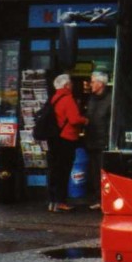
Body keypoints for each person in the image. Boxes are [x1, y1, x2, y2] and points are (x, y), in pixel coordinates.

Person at [46, 73, 87, 212]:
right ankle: (61, 201)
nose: (72, 86)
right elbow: (74, 119)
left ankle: (52, 201)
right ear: (66, 86)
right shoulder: (68, 99)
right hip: (66, 139)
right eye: (70, 83)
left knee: (54, 170)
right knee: (64, 171)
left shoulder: (53, 98)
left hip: (54, 138)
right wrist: (85, 120)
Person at [83, 71, 111, 210]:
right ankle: (97, 198)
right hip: (92, 141)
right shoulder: (92, 99)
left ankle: (104, 199)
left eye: (93, 82)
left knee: (103, 172)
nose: (91, 84)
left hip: (103, 141)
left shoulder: (111, 99)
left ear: (100, 84)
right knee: (94, 172)